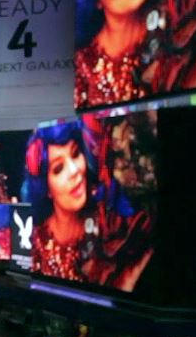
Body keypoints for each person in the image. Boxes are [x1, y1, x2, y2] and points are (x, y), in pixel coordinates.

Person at [22, 119, 154, 291]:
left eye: (76, 153)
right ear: (46, 188)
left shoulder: (112, 225)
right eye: (59, 168)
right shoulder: (32, 242)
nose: (75, 170)